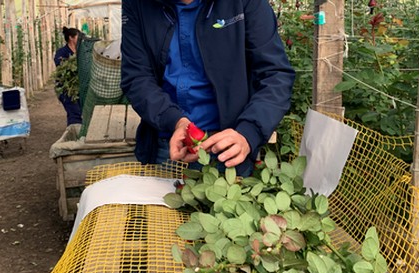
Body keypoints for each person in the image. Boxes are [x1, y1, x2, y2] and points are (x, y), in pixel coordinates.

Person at [120, 0, 295, 176]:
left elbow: (274, 74)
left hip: (230, 146)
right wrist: (174, 120)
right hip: (167, 146)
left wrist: (249, 132)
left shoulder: (244, 3)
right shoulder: (138, 4)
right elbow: (137, 77)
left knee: (230, 202)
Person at [54, 27, 82, 126]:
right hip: (66, 88)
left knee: (79, 112)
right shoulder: (62, 52)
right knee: (74, 113)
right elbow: (60, 66)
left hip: (79, 88)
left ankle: (75, 132)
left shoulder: (81, 51)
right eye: (78, 37)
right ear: (71, 38)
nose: (80, 39)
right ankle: (74, 134)